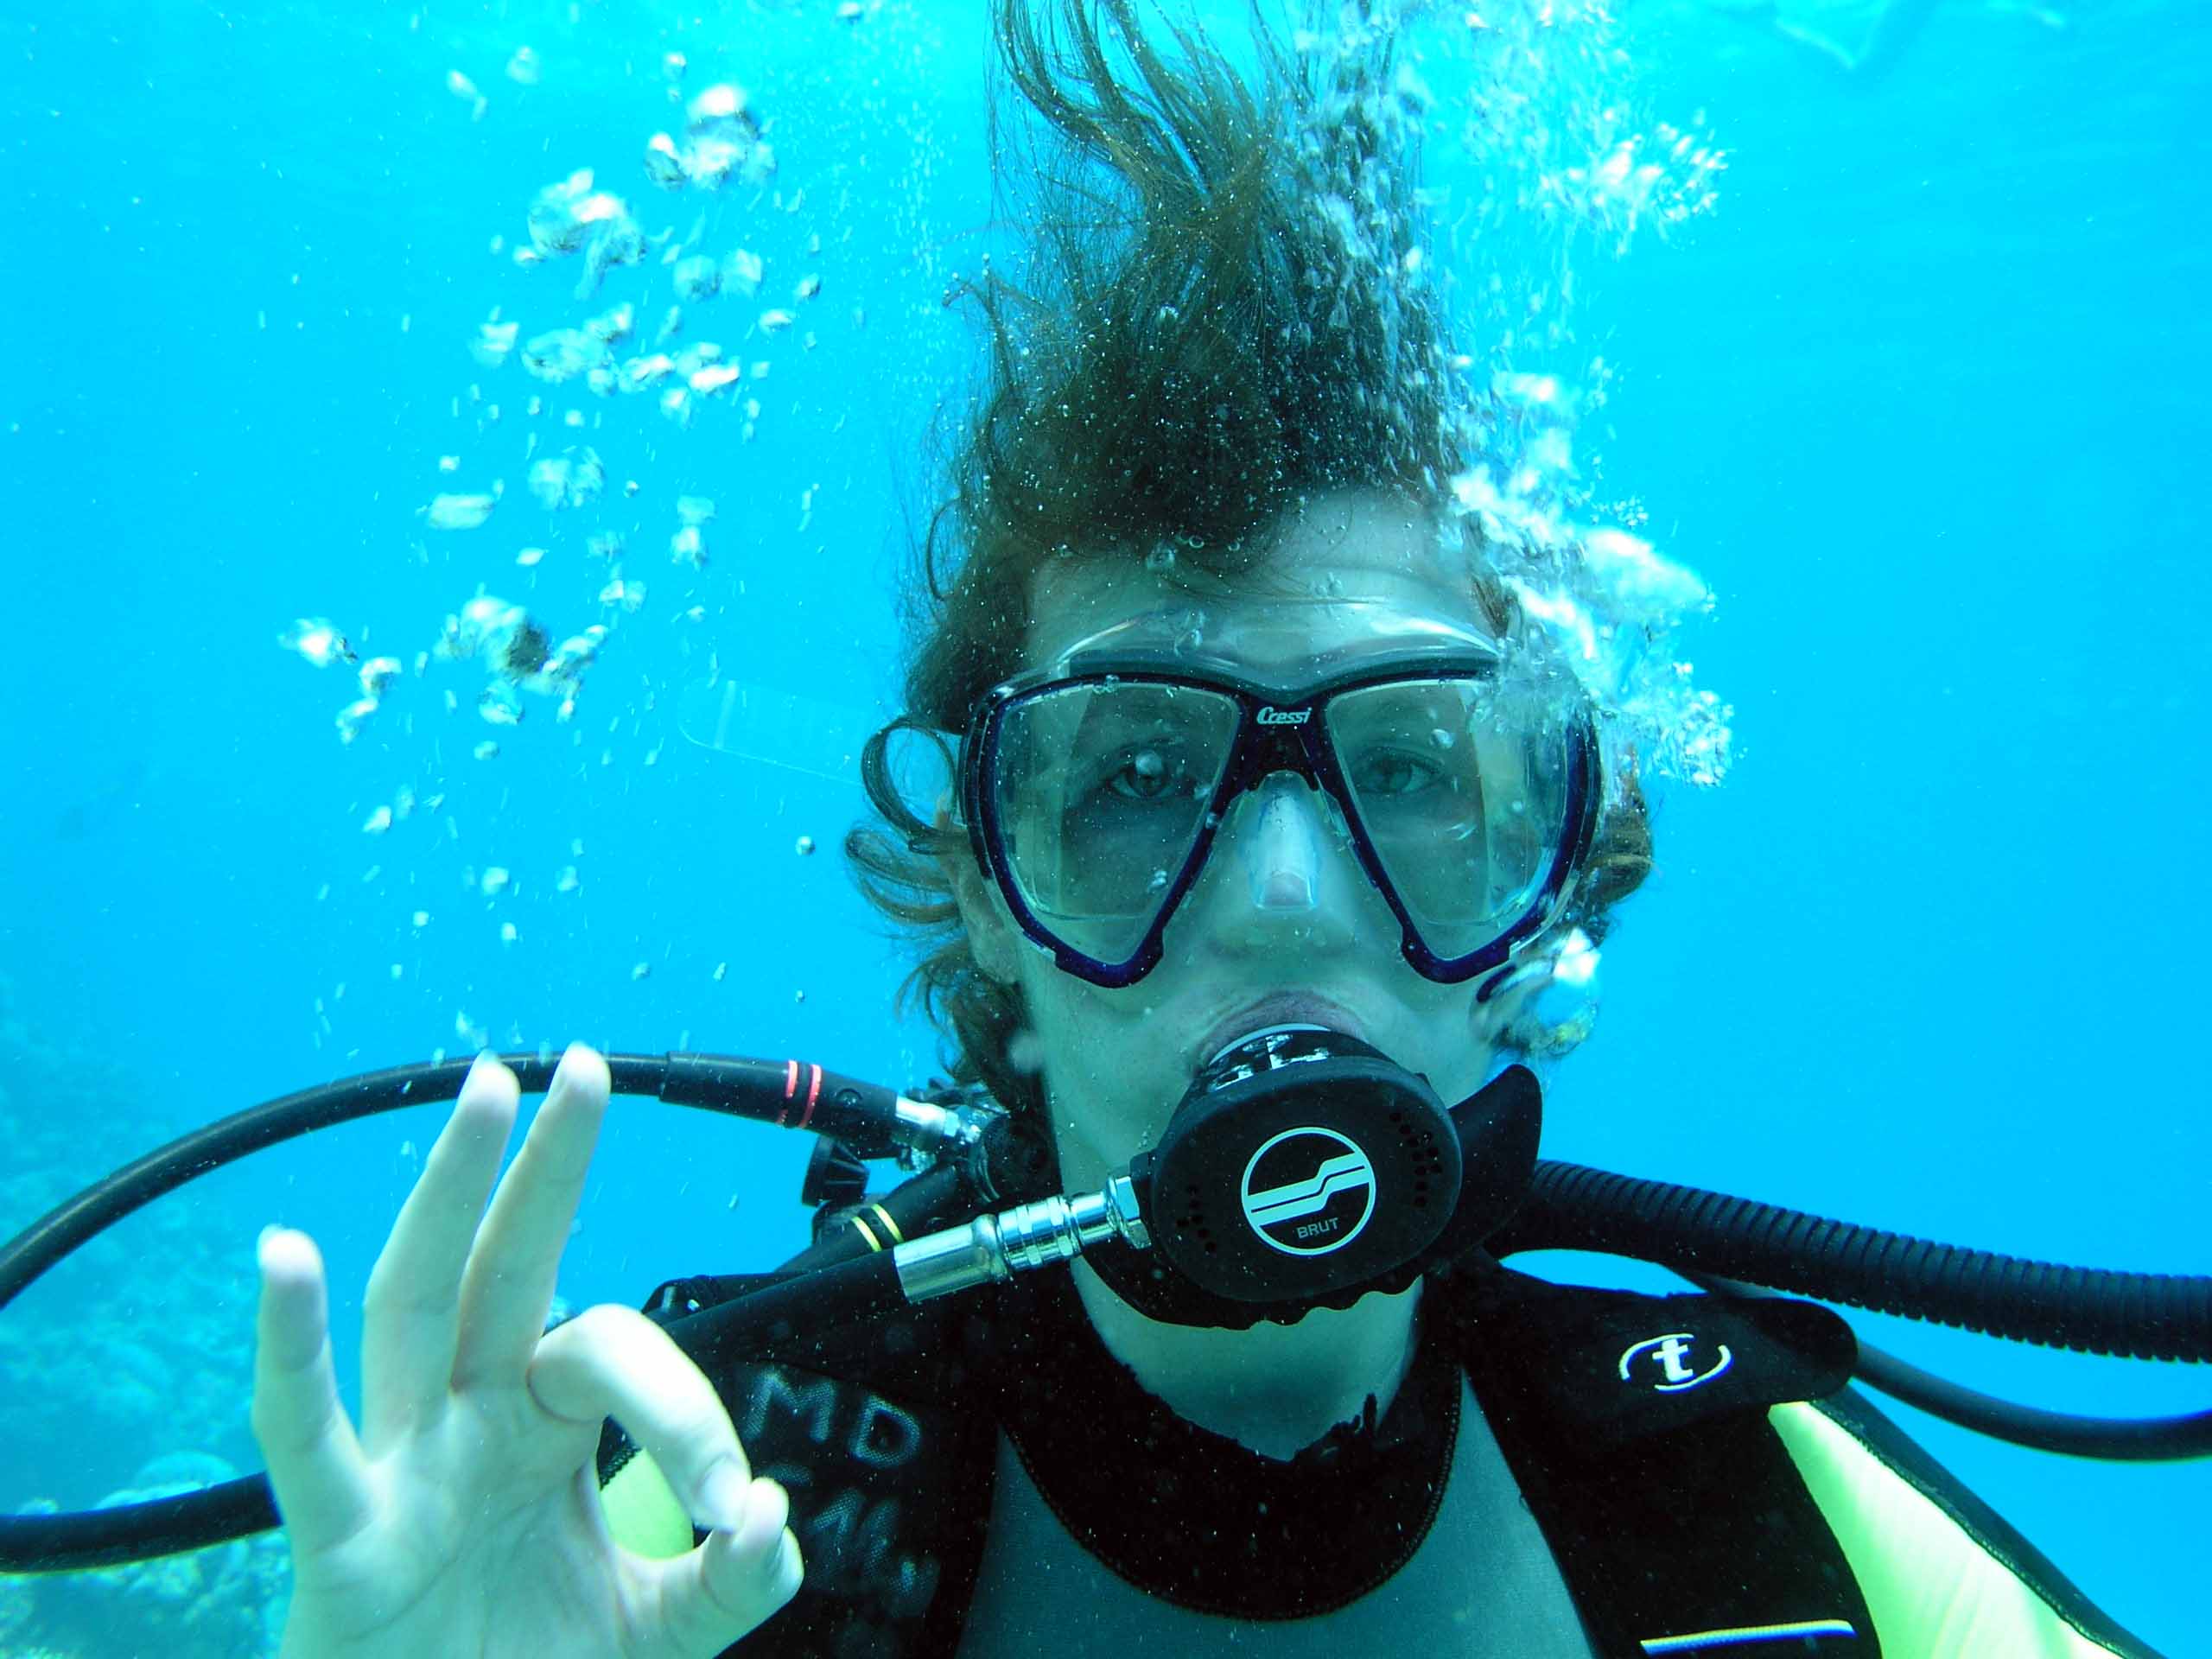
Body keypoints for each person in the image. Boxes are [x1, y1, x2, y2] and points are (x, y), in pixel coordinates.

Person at [250, 4, 2165, 1656]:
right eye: (1136, 779)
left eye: (1407, 773)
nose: (1280, 899)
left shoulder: (1745, 1520)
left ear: (1543, 888)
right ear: (983, 886)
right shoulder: (723, 1531)